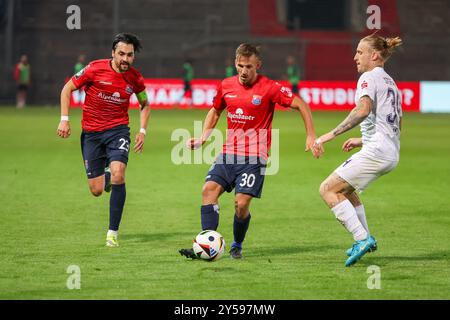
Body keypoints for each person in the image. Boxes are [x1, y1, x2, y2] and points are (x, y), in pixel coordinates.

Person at [179, 43, 321, 260]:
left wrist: (310, 134)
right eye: (240, 66)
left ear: (258, 65)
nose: (243, 71)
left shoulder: (270, 87)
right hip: (228, 152)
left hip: (255, 156)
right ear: (235, 63)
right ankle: (207, 244)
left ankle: (237, 244)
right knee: (208, 190)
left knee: (241, 204)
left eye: (248, 67)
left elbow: (300, 104)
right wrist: (202, 137)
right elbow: (216, 110)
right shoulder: (226, 85)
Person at [312, 34, 403, 267]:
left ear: (374, 55)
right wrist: (362, 140)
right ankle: (367, 240)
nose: (355, 57)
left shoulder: (368, 78)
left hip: (378, 151)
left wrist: (329, 135)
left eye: (360, 52)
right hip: (389, 151)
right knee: (347, 190)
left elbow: (362, 110)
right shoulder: (391, 83)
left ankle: (362, 238)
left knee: (327, 189)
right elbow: (394, 125)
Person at [57, 33, 151, 247]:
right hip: (91, 135)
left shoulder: (135, 78)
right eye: (121, 54)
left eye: (130, 55)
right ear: (113, 53)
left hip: (118, 131)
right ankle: (105, 177)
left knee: (119, 174)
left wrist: (142, 131)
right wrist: (64, 119)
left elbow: (145, 104)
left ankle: (112, 232)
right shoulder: (94, 69)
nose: (125, 59)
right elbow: (67, 89)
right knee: (96, 190)